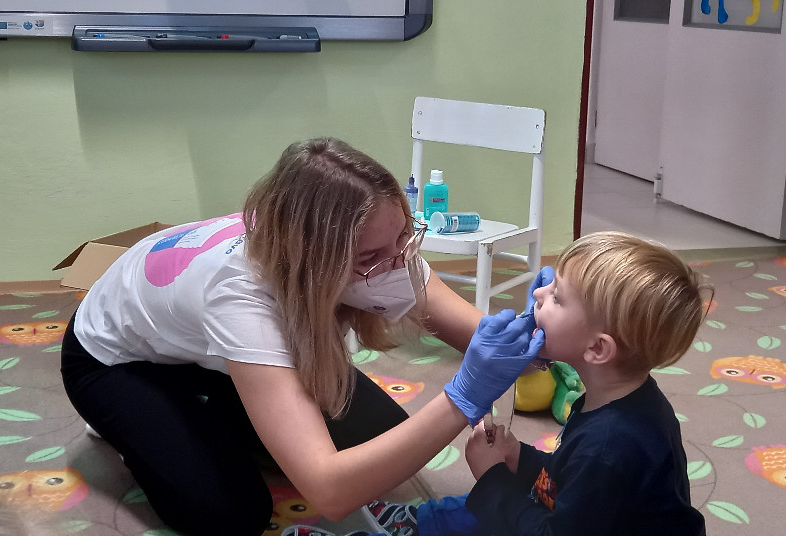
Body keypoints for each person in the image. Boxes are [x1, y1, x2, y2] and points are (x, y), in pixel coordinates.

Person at [60, 137, 547, 536]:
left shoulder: (379, 241)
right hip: (114, 359)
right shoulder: (241, 297)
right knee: (231, 514)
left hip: (204, 347)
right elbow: (330, 493)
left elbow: (482, 335)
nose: (400, 262)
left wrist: (541, 326)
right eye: (370, 258)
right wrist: (462, 396)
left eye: (404, 236)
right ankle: (140, 425)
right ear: (314, 261)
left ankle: (223, 412)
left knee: (381, 440)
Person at [290, 231, 713, 536]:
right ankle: (421, 524)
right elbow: (569, 481)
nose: (540, 294)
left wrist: (491, 476)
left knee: (497, 505)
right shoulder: (625, 400)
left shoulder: (609, 446)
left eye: (557, 297)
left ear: (598, 349)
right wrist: (519, 458)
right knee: (488, 506)